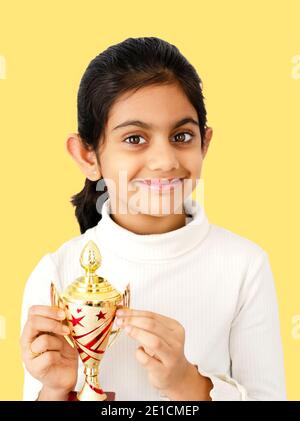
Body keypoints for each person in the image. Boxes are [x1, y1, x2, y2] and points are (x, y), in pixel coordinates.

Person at [20, 36, 286, 401]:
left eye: (181, 135)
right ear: (87, 155)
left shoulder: (245, 266)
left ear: (204, 143)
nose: (164, 160)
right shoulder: (56, 273)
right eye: (134, 138)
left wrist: (187, 384)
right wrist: (54, 388)